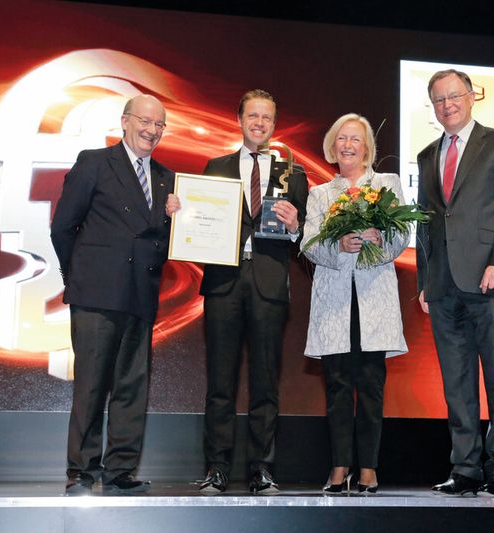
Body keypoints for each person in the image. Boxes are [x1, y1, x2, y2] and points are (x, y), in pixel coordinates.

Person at [51, 94, 176, 495]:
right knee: (90, 384)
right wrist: (82, 274)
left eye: (159, 125)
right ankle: (82, 471)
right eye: (145, 121)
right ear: (124, 121)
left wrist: (179, 219)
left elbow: (165, 241)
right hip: (96, 293)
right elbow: (62, 227)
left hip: (141, 294)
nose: (151, 130)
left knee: (131, 385)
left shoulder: (166, 179)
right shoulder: (94, 162)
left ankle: (120, 470)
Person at [416, 70, 494, 497]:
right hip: (444, 285)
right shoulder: (427, 155)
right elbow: (426, 223)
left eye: (454, 96)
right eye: (439, 99)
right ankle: (464, 468)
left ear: (471, 97)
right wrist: (426, 281)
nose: (448, 105)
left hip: (491, 280)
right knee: (456, 382)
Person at [196, 89, 308, 494]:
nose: (259, 123)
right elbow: (198, 223)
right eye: (252, 116)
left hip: (268, 282)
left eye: (267, 118)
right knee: (220, 382)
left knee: (265, 382)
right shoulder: (215, 167)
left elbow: (304, 237)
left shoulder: (291, 174)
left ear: (274, 125)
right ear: (239, 120)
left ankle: (261, 468)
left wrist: (296, 224)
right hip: (224, 282)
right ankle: (216, 467)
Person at [302, 114, 408, 495]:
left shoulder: (386, 184)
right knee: (337, 386)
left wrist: (379, 239)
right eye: (342, 138)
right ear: (333, 146)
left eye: (356, 139)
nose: (348, 145)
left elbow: (402, 237)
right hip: (334, 302)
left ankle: (368, 469)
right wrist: (338, 245)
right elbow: (308, 245)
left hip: (373, 299)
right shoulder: (319, 194)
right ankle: (338, 466)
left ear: (367, 148)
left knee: (371, 386)